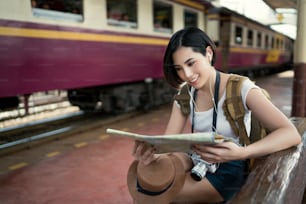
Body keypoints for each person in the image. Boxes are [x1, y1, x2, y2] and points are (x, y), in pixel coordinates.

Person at [131, 27, 301, 203]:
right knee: (147, 181)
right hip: (195, 158)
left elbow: (290, 133)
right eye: (179, 68)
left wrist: (243, 153)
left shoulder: (240, 88)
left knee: (158, 196)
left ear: (209, 53)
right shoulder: (185, 95)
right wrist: (153, 153)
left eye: (191, 63)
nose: (187, 75)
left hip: (230, 165)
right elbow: (167, 145)